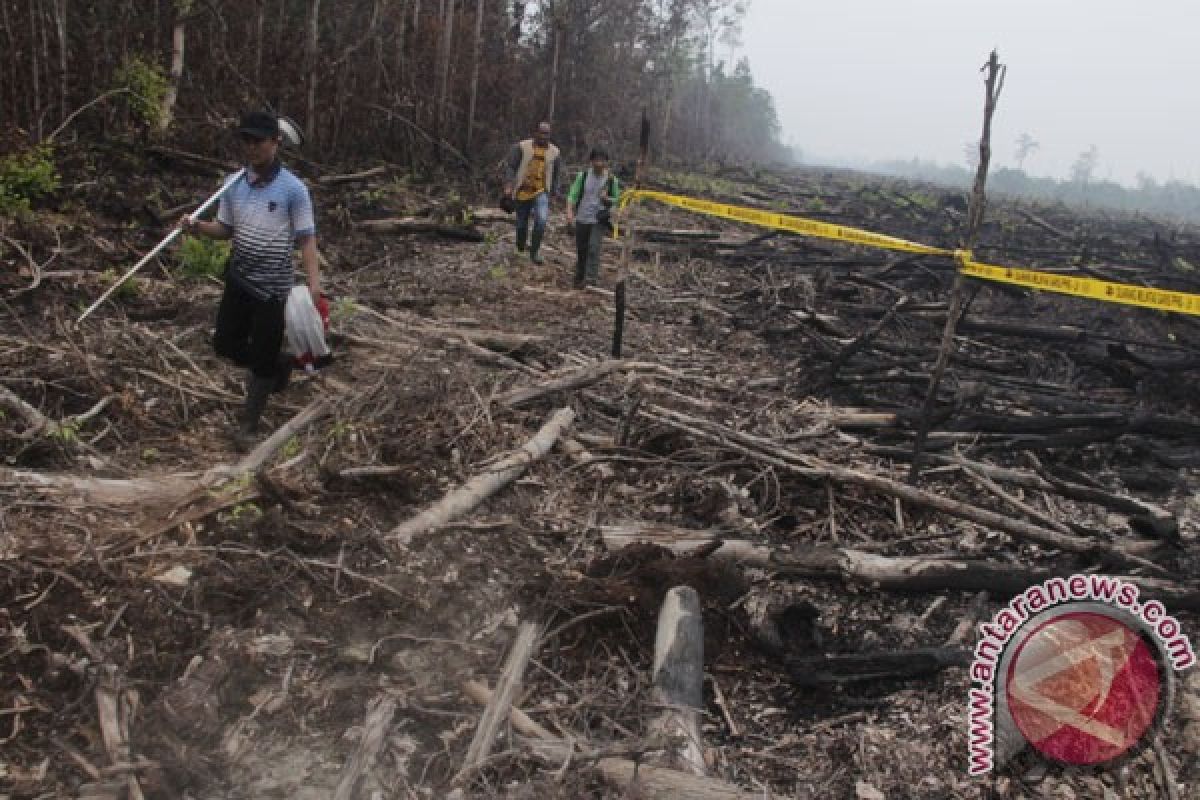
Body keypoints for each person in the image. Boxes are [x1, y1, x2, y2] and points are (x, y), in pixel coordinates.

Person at [180, 110, 321, 448]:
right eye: (246, 140)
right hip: (239, 280)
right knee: (225, 345)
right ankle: (280, 363)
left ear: (276, 142)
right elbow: (225, 229)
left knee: (259, 359)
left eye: (258, 140)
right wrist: (196, 227)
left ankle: (248, 427)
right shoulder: (233, 184)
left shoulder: (294, 190)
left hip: (273, 289)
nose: (252, 147)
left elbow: (306, 239)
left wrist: (314, 285)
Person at [503, 121, 562, 265]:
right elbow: (511, 167)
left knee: (541, 220)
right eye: (541, 133)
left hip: (541, 191)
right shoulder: (521, 147)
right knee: (521, 224)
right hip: (522, 189)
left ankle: (534, 252)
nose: (544, 136)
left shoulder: (555, 153)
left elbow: (556, 175)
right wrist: (509, 185)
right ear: (535, 133)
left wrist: (554, 192)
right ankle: (520, 249)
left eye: (546, 133)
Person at [565, 148, 620, 289]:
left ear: (607, 162)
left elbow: (617, 200)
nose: (599, 163)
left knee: (594, 248)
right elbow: (573, 195)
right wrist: (569, 212)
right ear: (591, 161)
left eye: (602, 160)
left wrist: (607, 199)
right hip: (582, 217)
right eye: (596, 160)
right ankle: (579, 276)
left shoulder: (611, 180)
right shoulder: (582, 176)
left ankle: (591, 279)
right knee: (582, 249)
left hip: (598, 219)